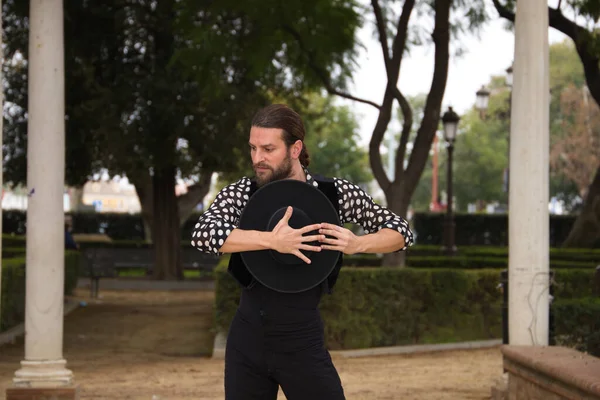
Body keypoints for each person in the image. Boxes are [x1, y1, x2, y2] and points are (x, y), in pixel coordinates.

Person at [191, 104, 414, 400]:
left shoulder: (335, 194)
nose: (258, 158)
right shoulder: (242, 193)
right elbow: (203, 234)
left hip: (302, 341)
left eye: (268, 149)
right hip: (247, 341)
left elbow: (401, 231)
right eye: (253, 148)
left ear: (295, 149)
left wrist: (358, 244)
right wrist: (271, 240)